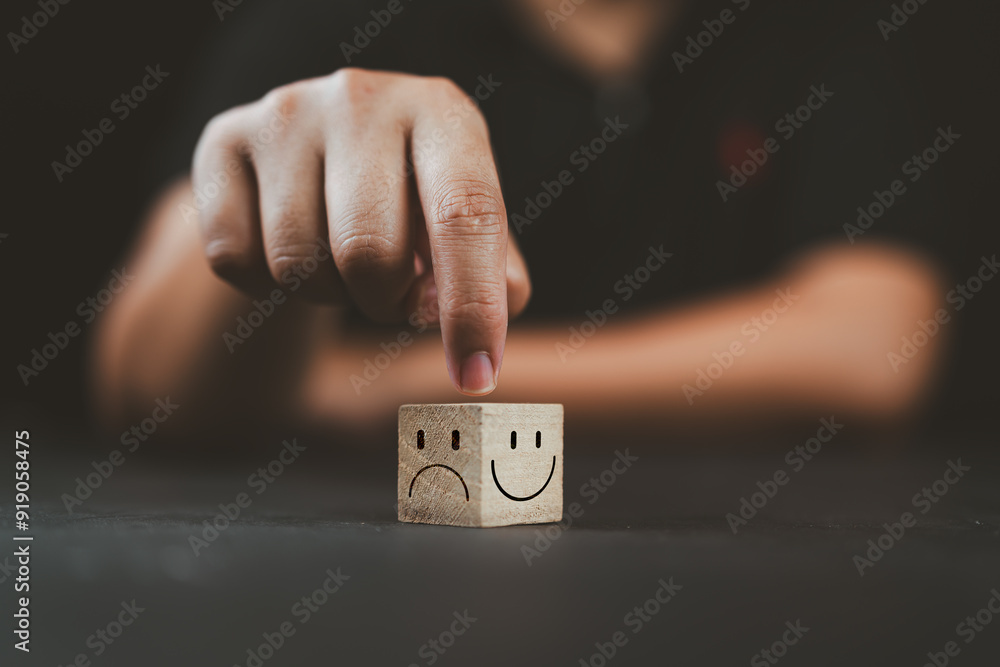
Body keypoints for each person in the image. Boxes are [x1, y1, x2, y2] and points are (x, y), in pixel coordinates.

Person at [92, 0, 947, 438]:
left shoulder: (823, 35)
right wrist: (289, 178)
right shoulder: (333, 20)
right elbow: (143, 378)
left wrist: (370, 385)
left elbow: (871, 347)